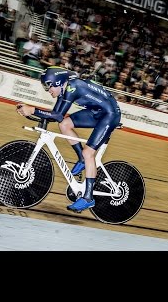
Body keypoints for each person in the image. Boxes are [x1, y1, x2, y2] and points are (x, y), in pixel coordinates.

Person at [16, 66, 121, 212]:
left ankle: (88, 198)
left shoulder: (73, 87)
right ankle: (81, 159)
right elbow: (57, 116)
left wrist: (32, 109)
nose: (48, 90)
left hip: (109, 115)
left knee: (88, 153)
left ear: (58, 82)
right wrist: (32, 111)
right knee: (65, 124)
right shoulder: (65, 88)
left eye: (48, 86)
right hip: (97, 112)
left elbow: (57, 115)